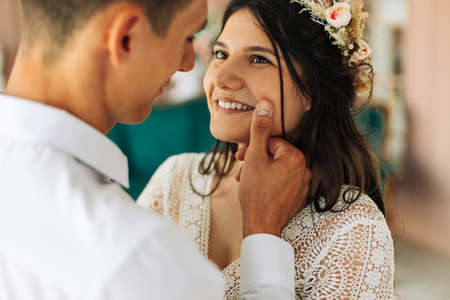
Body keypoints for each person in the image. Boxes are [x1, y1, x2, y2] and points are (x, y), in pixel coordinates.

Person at [0, 0, 311, 299]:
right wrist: (263, 234)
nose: (190, 63)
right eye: (187, 36)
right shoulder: (135, 259)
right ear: (125, 37)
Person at [137, 0, 395, 299]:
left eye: (259, 59)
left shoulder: (353, 228)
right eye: (221, 54)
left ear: (313, 88)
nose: (221, 78)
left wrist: (262, 229)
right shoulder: (174, 181)